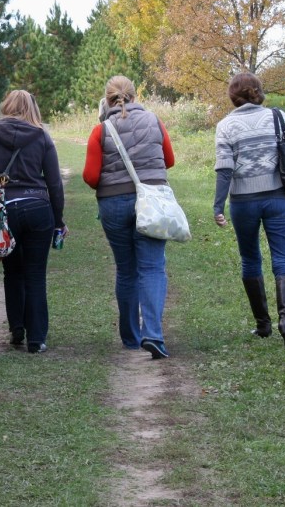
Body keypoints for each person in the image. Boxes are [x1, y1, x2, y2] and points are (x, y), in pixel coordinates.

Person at [212, 72, 285, 350]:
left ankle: (263, 324)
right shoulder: (278, 117)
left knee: (250, 259)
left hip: (243, 202)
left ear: (233, 96)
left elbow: (224, 169)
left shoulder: (225, 126)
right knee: (283, 259)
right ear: (258, 92)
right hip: (279, 199)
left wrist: (218, 206)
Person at [0, 90, 66, 354]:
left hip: (3, 211)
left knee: (12, 271)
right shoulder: (42, 136)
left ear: (7, 106)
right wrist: (58, 220)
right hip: (37, 208)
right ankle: (37, 338)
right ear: (32, 108)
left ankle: (17, 328)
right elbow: (54, 183)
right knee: (35, 274)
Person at [82, 76, 176, 359]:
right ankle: (153, 334)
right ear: (135, 96)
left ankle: (131, 337)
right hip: (151, 201)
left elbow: (90, 177)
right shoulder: (155, 121)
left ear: (107, 99)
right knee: (152, 268)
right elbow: (169, 160)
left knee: (126, 270)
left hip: (113, 204)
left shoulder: (101, 130)